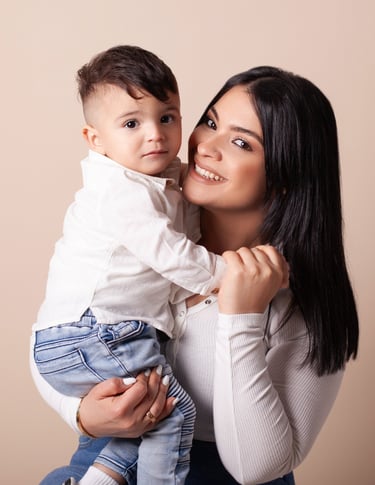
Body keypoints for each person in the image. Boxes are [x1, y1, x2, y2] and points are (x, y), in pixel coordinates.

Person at [30, 65, 359, 485]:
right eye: (210, 122)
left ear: (286, 176)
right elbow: (57, 325)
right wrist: (81, 414)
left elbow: (258, 467)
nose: (206, 146)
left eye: (241, 142)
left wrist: (242, 317)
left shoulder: (298, 299)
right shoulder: (144, 213)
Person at [31, 45, 227, 485]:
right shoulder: (122, 192)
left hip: (74, 336)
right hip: (98, 331)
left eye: (168, 117)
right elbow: (172, 256)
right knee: (174, 413)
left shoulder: (156, 184)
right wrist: (228, 277)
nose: (155, 134)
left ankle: (101, 480)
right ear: (95, 140)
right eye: (132, 123)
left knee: (147, 417)